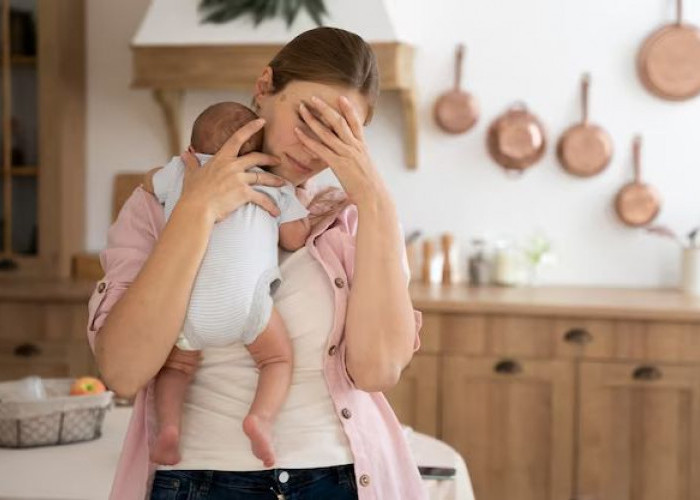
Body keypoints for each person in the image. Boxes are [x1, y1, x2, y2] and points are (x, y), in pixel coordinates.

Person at [87, 26, 427, 499]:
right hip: (196, 482)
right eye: (308, 120)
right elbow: (123, 371)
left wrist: (374, 199)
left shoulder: (351, 219)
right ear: (265, 87)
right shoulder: (159, 203)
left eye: (340, 135)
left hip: (340, 479)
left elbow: (377, 370)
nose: (314, 149)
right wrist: (196, 210)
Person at [142, 101, 311, 468]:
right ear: (262, 155)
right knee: (277, 359)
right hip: (246, 305)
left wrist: (173, 170)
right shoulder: (273, 184)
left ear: (191, 151)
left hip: (185, 305)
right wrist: (297, 200)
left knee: (175, 368)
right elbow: (296, 238)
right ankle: (260, 419)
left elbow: (146, 184)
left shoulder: (180, 172)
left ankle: (169, 428)